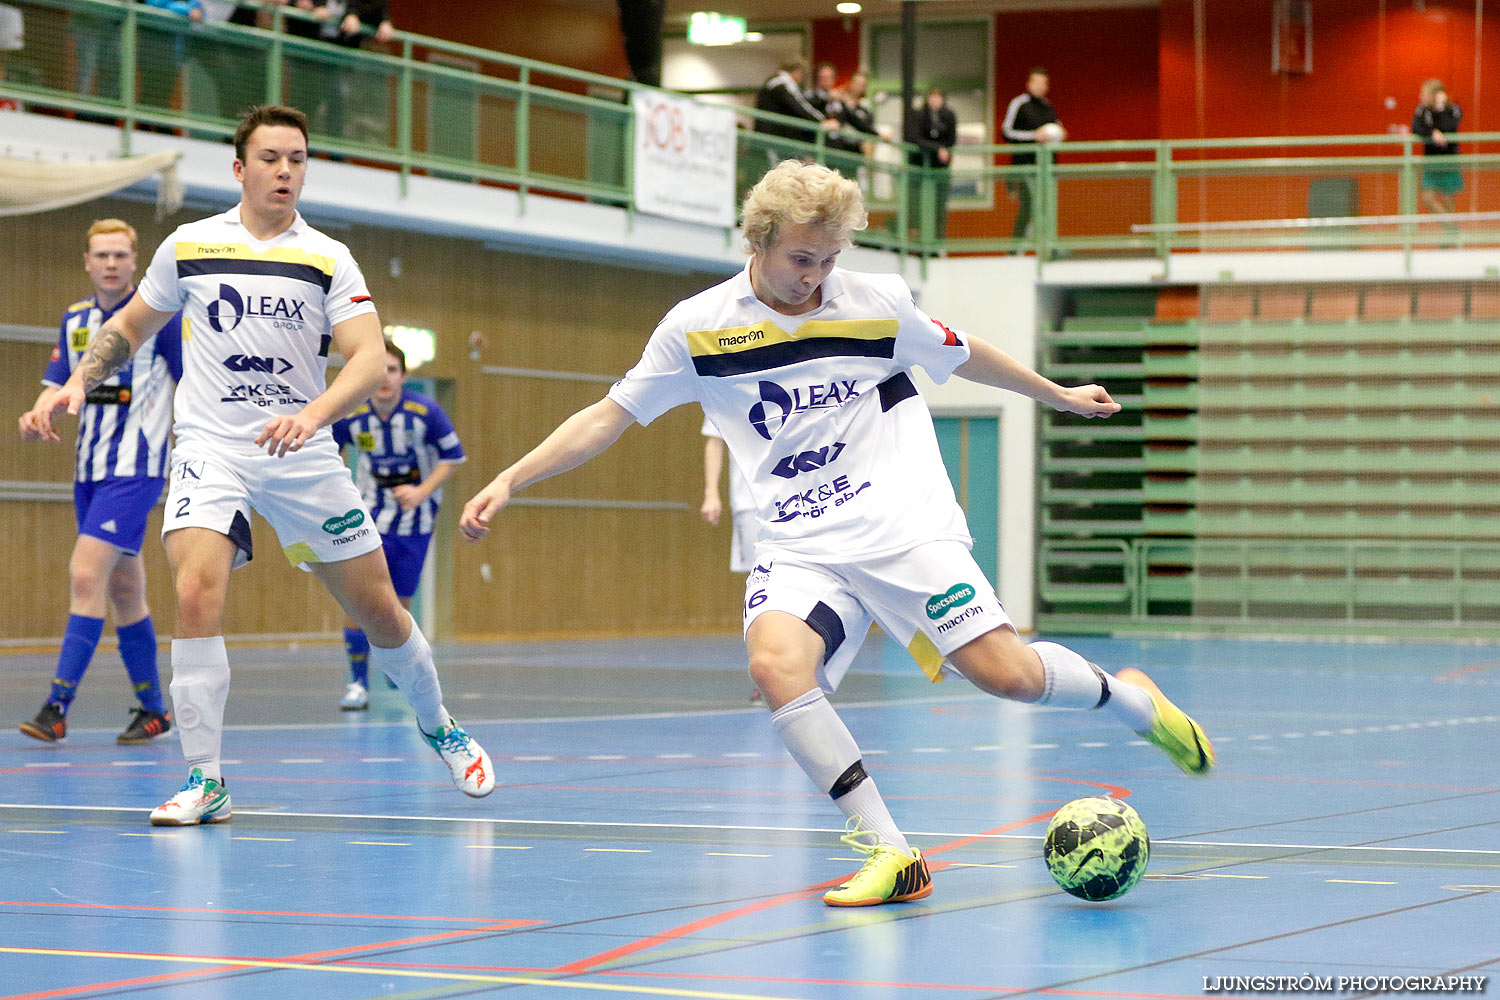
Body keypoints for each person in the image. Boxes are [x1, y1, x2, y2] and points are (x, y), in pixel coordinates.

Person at [460, 160, 1215, 907]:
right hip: (800, 542)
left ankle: (1132, 701)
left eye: (829, 258)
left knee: (1007, 676)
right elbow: (607, 417)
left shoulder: (875, 303)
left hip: (902, 526)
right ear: (758, 240)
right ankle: (893, 852)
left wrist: (1054, 394)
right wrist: (509, 479)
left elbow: (961, 351)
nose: (815, 275)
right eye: (800, 258)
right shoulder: (698, 328)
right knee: (775, 667)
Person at [25, 105, 494, 826]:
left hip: (303, 452)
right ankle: (205, 780)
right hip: (212, 448)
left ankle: (442, 725)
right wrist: (77, 382)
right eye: (271, 157)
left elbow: (367, 357)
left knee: (380, 612)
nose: (285, 170)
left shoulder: (328, 257)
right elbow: (129, 327)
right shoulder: (189, 245)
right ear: (240, 168)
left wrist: (314, 414)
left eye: (297, 159)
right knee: (194, 594)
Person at [17, 219, 183, 746]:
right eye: (101, 255)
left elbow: (190, 385)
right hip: (88, 472)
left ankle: (56, 706)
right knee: (125, 588)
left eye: (120, 255)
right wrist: (36, 412)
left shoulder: (159, 319)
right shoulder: (75, 320)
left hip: (136, 470)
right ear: (87, 262)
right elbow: (57, 386)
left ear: (135, 262)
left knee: (86, 575)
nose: (111, 263)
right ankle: (154, 709)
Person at [331, 340, 465, 711]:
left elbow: (453, 457)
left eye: (393, 370)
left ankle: (395, 664)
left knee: (397, 605)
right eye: (381, 370)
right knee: (357, 598)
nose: (386, 378)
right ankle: (357, 684)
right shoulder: (354, 414)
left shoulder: (426, 412)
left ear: (403, 376)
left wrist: (422, 491)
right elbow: (327, 450)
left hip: (414, 521)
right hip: (367, 517)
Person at [1001, 67, 1063, 242]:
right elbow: (1006, 132)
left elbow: (1057, 127)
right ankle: (1017, 246)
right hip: (1025, 167)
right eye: (1036, 82)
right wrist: (1033, 137)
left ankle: (1047, 244)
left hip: (1046, 168)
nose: (1039, 86)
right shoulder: (1019, 104)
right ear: (1029, 84)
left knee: (1047, 206)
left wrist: (1060, 133)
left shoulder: (1048, 106)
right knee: (1029, 206)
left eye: (1043, 83)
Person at [753, 59, 838, 166]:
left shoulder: (774, 82)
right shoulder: (783, 83)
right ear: (798, 72)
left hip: (769, 136)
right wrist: (820, 122)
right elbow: (799, 106)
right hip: (773, 138)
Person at [905, 86, 958, 241]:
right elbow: (914, 137)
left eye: (938, 97)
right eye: (932, 97)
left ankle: (938, 239)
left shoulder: (948, 116)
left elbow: (951, 140)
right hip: (920, 167)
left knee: (939, 206)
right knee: (918, 204)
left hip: (940, 169)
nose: (935, 101)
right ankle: (917, 238)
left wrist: (943, 149)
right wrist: (937, 148)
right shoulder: (919, 115)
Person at [1412, 78, 1463, 221]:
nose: (1421, 96)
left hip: (1449, 160)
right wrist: (1431, 132)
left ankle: (1448, 239)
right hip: (1431, 162)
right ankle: (1452, 229)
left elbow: (1450, 126)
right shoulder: (1422, 110)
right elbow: (1416, 127)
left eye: (1425, 93)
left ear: (1436, 94)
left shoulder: (1452, 110)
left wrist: (1440, 108)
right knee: (1427, 198)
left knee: (1448, 200)